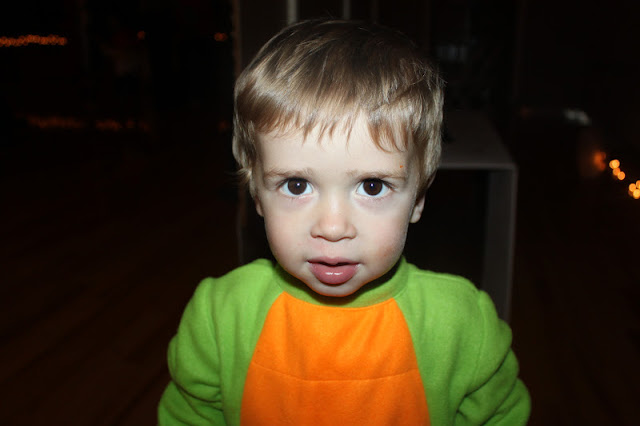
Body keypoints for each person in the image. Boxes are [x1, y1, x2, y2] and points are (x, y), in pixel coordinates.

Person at [158, 19, 530, 425]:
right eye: (296, 185)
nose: (333, 228)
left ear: (418, 200)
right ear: (257, 196)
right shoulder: (219, 317)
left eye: (372, 186)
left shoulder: (463, 325)